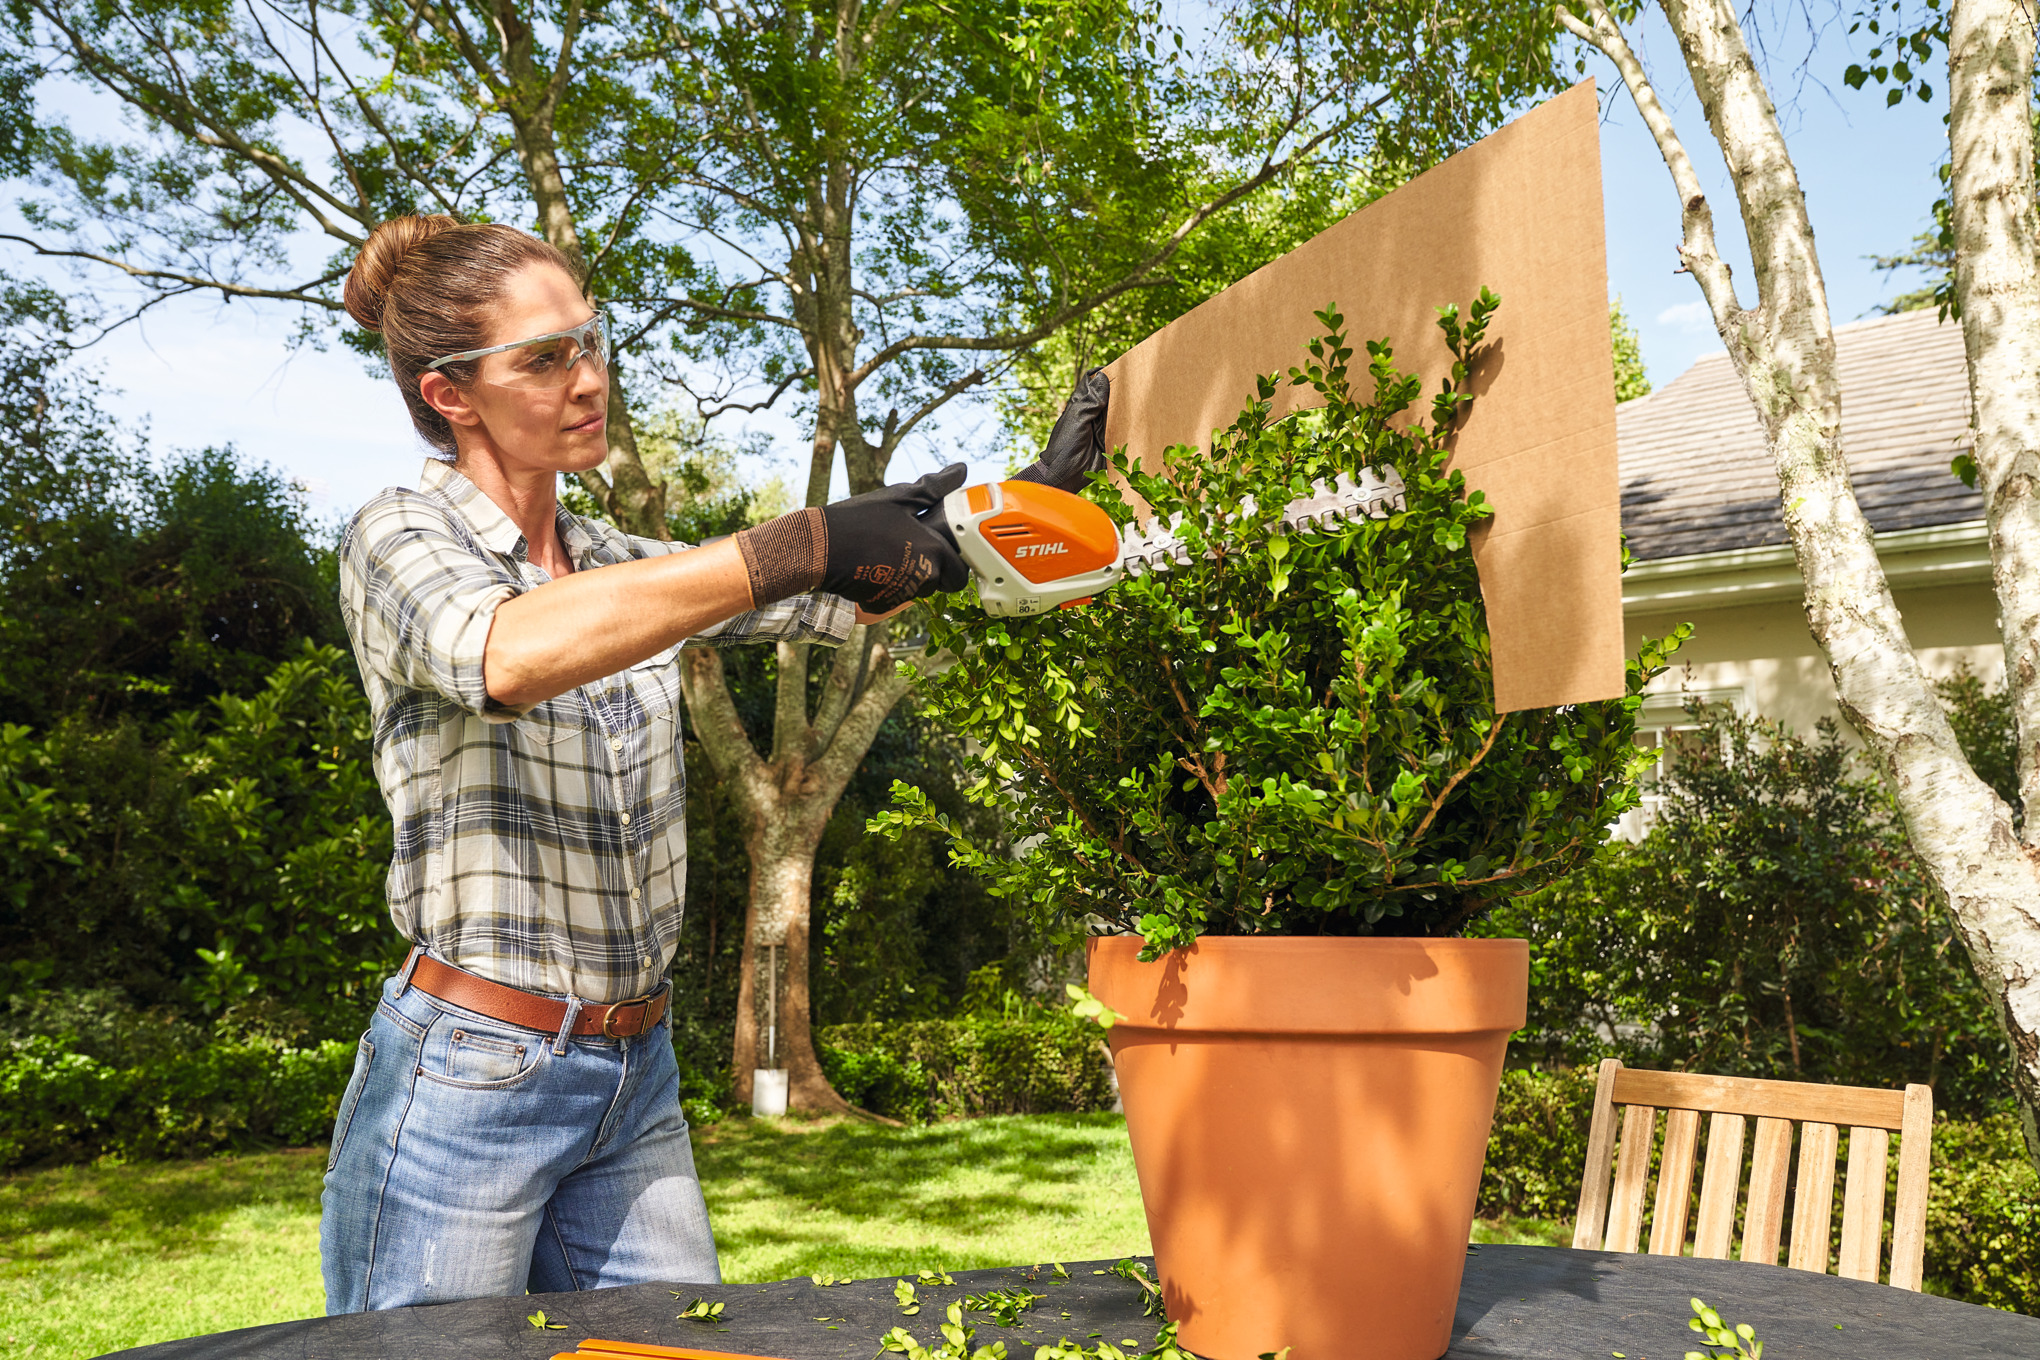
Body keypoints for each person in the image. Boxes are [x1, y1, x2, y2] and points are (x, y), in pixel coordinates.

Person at [320, 214, 1108, 1313]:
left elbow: (845, 596)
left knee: (685, 1348)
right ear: (451, 393)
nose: (588, 379)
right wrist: (797, 545)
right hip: (470, 1073)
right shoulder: (395, 537)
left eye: (591, 343)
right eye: (545, 359)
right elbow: (501, 651)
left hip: (633, 1072)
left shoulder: (615, 560)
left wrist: (1003, 522)